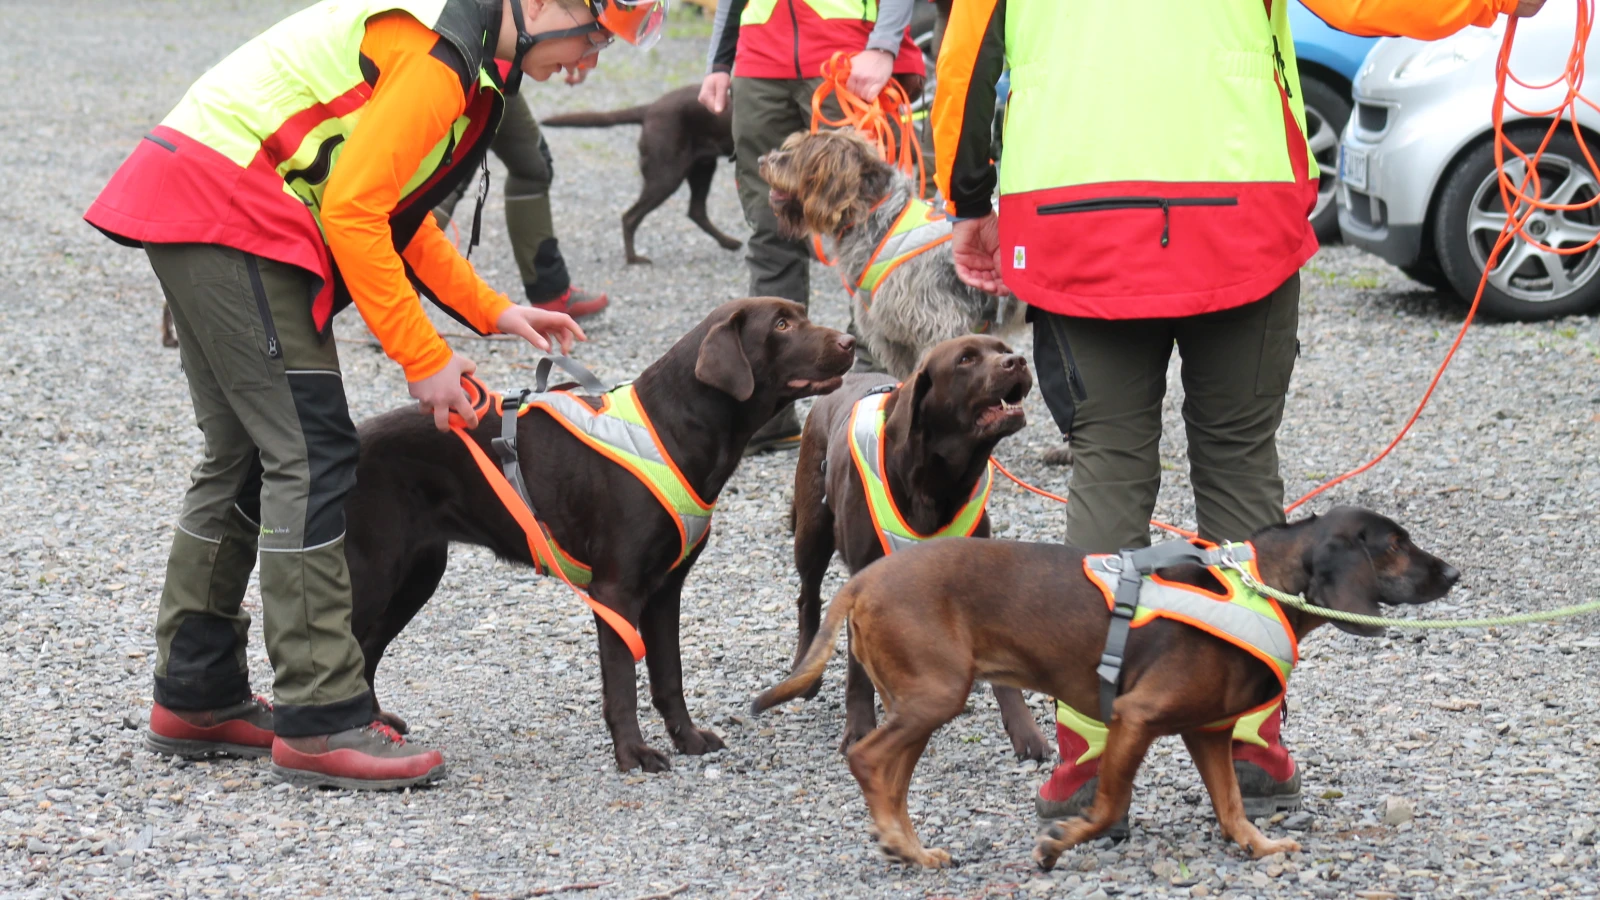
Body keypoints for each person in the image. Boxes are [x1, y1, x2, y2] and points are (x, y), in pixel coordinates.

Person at [935, 0, 1547, 826]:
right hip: (1237, 204)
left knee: (1109, 464)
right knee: (1238, 462)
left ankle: (1083, 750)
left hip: (1072, 215)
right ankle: (1253, 733)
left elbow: (969, 56)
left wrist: (968, 194)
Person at [84, 0, 666, 791]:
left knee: (247, 455)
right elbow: (357, 210)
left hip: (199, 192)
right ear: (542, 6)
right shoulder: (438, 59)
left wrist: (491, 308)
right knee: (312, 451)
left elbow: (400, 209)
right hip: (228, 206)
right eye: (593, 39)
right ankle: (321, 718)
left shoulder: (466, 54)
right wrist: (422, 358)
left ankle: (198, 693)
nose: (588, 64)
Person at [699, 0, 927, 453]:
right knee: (770, 233)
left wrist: (883, 46)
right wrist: (721, 61)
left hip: (849, 57)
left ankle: (870, 396)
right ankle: (772, 406)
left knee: (880, 236)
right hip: (760, 60)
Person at [434, 65, 613, 320]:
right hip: (475, 60)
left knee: (529, 166)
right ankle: (396, 305)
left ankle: (551, 292)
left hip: (490, 64)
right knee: (447, 175)